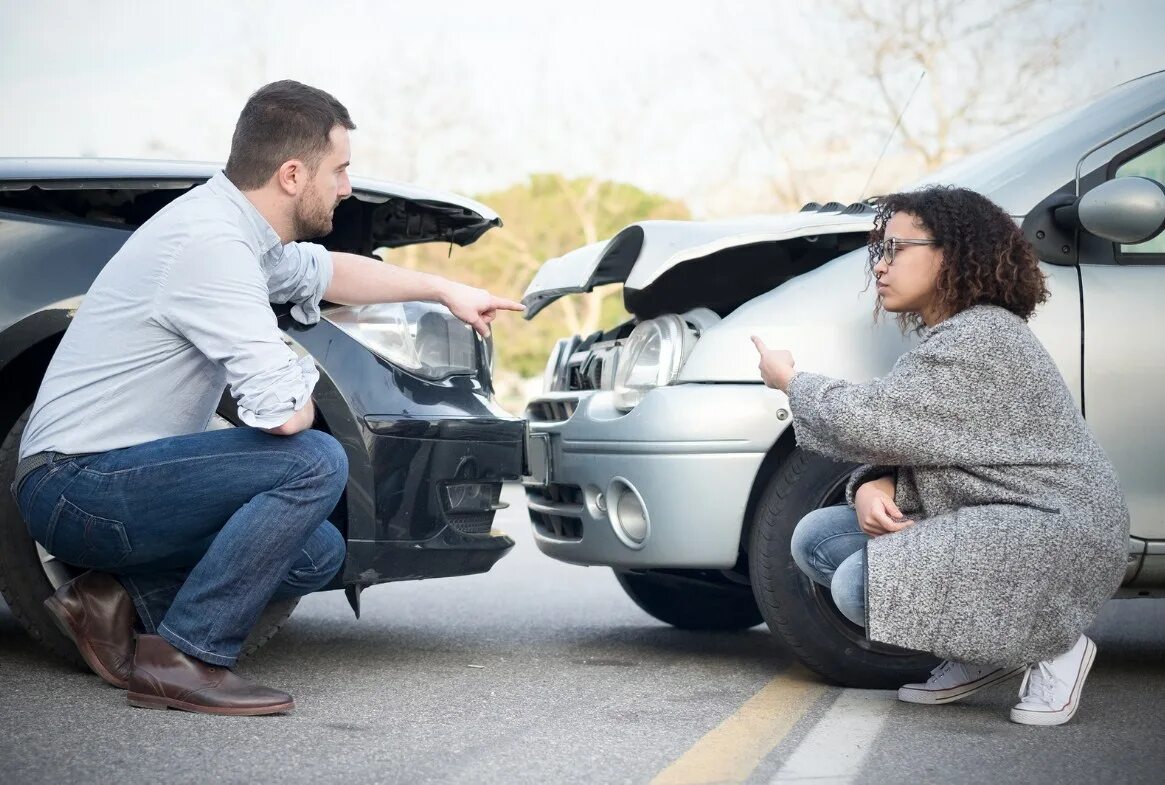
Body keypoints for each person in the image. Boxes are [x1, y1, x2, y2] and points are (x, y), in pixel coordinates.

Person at [11, 80, 524, 716]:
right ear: (291, 174)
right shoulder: (211, 248)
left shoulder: (236, 233)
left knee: (319, 553)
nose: (346, 188)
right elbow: (285, 415)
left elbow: (331, 271)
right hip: (74, 486)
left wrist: (445, 289)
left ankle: (113, 595)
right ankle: (186, 656)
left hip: (115, 481)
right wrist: (293, 385)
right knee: (314, 460)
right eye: (338, 170)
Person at [751, 185, 1129, 727]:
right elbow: (919, 440)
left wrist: (789, 380)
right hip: (1001, 517)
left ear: (950, 254)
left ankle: (1052, 643)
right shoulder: (955, 334)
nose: (880, 266)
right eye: (878, 250)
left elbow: (868, 418)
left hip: (1057, 530)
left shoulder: (982, 338)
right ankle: (982, 650)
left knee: (860, 583)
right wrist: (873, 484)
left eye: (896, 249)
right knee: (818, 539)